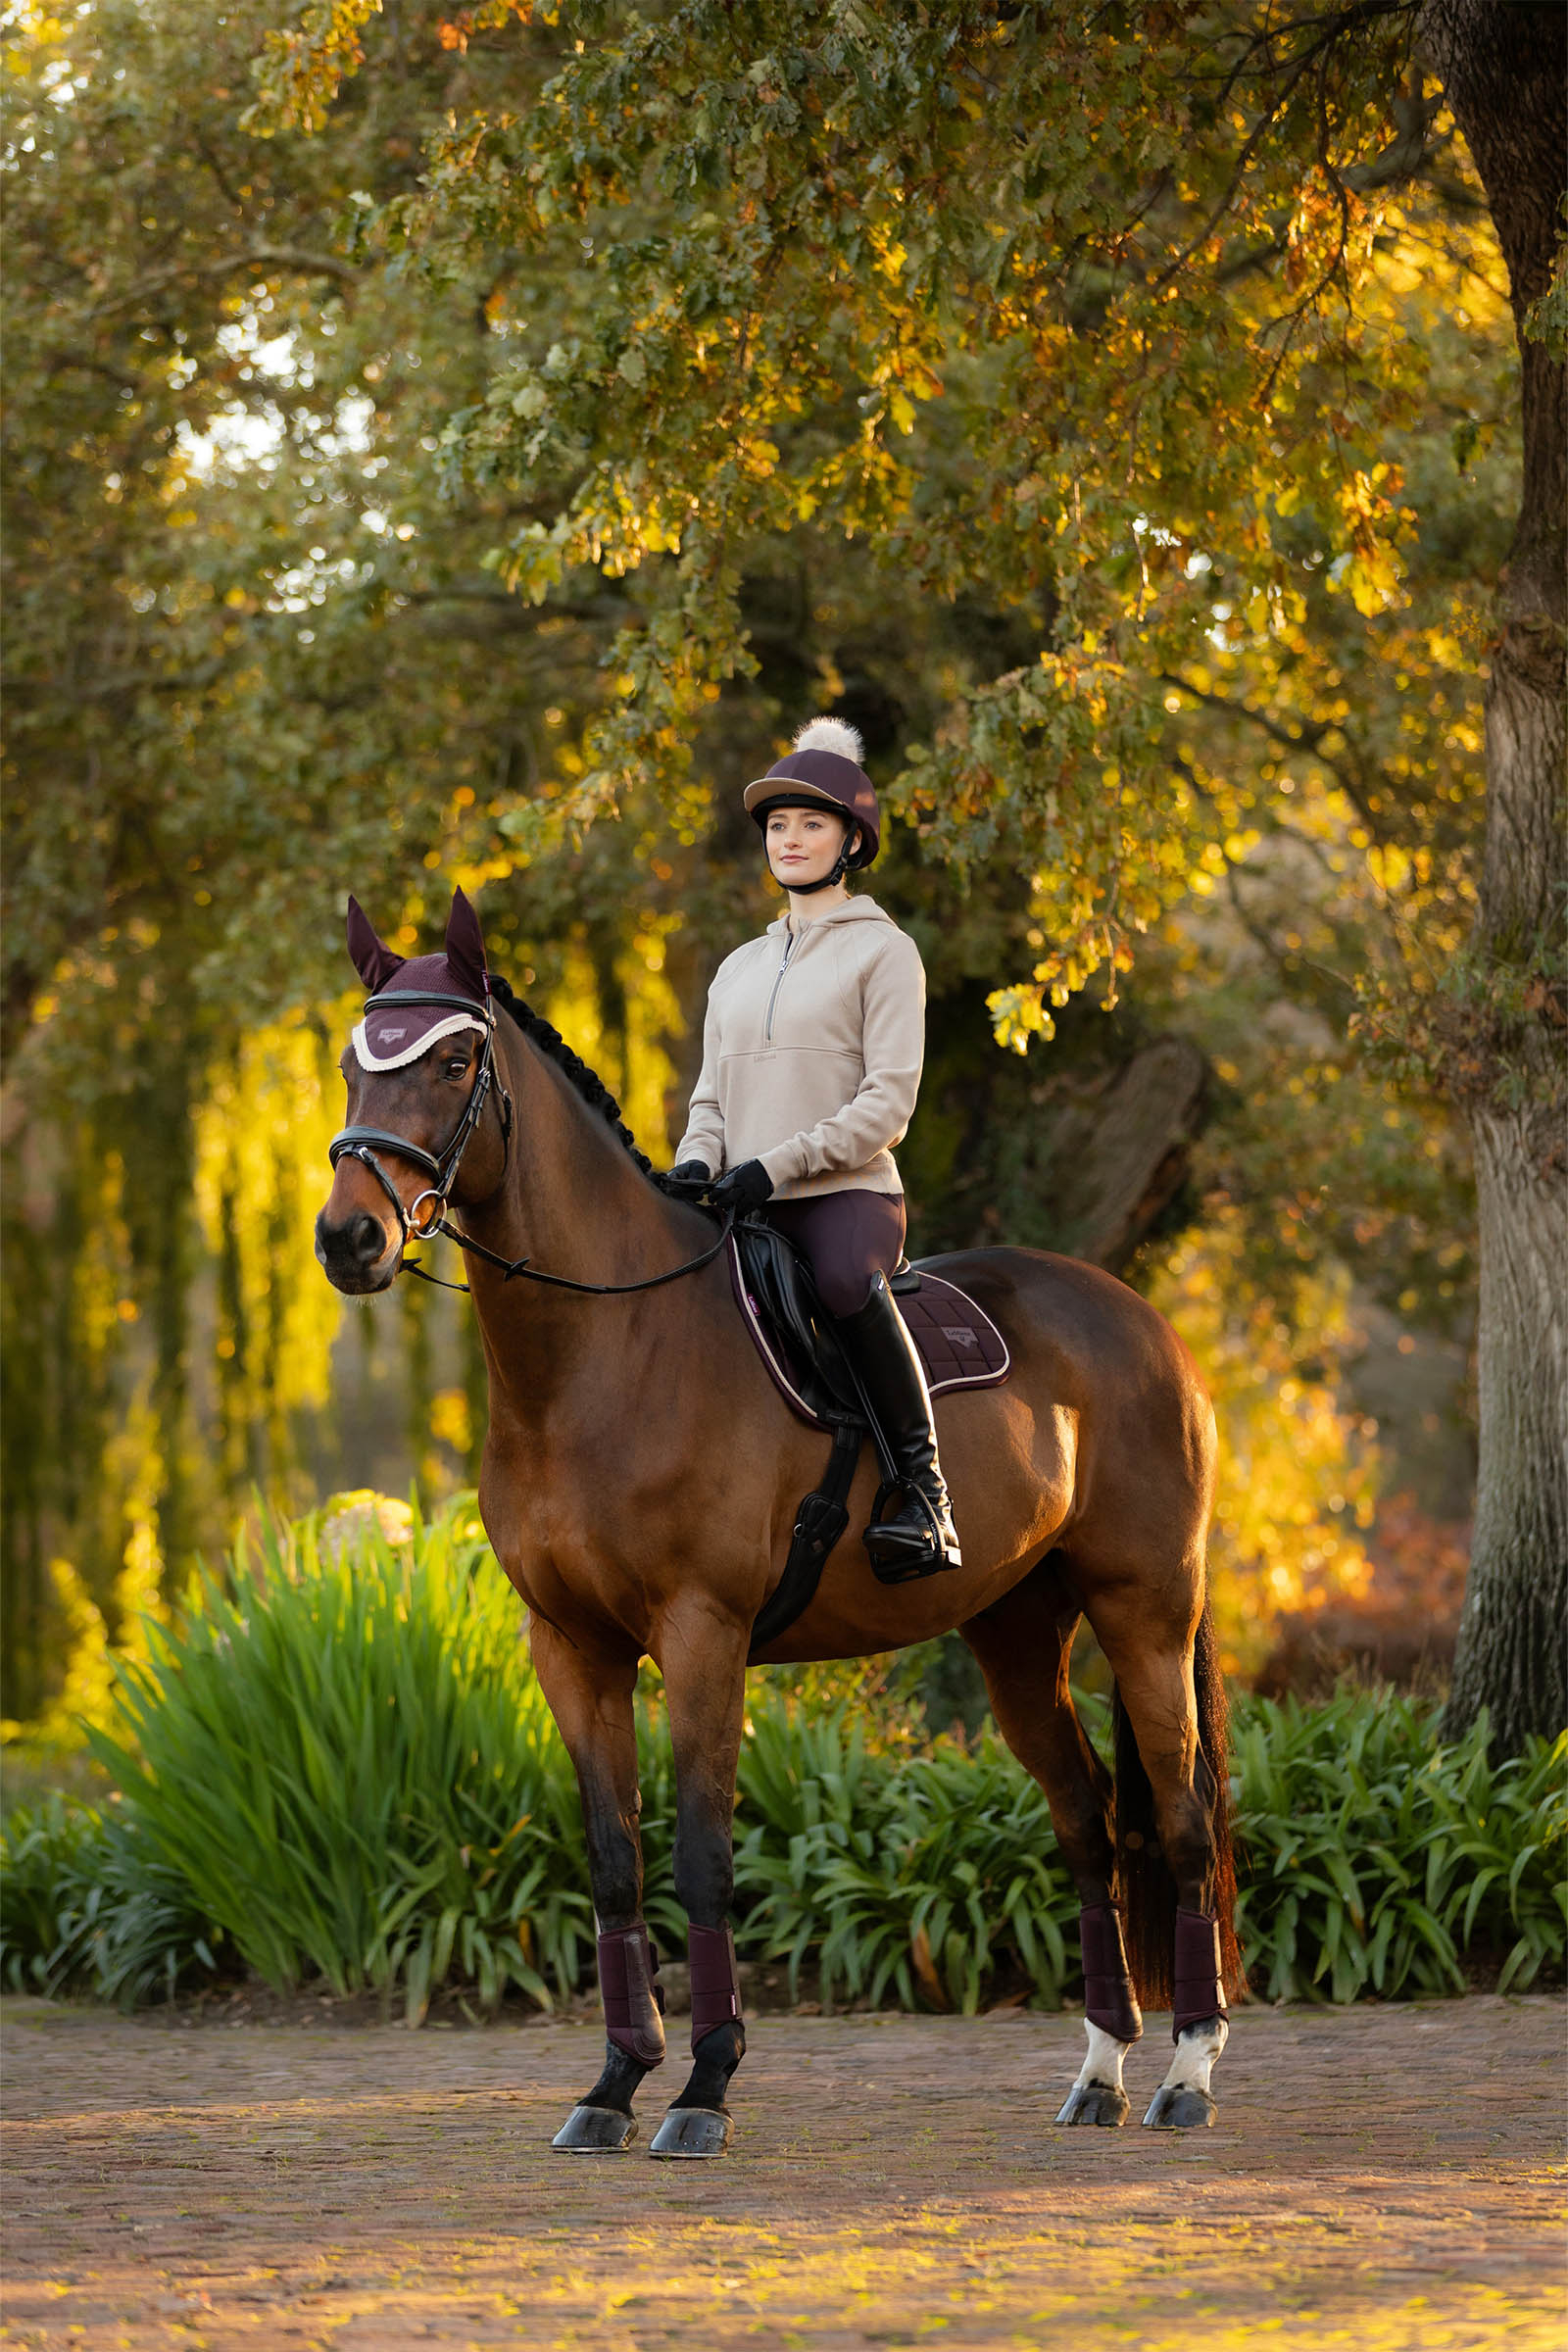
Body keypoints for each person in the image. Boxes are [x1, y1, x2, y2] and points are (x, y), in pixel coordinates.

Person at [663, 717, 961, 1580]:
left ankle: (924, 1490)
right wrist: (696, 1159)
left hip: (845, 1198)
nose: (789, 841)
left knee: (841, 1284)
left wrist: (776, 1167)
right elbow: (712, 1096)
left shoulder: (885, 951)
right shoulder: (737, 968)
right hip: (741, 1196)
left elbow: (886, 1106)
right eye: (777, 827)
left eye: (811, 826)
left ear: (851, 842)